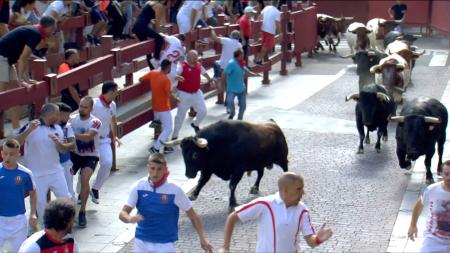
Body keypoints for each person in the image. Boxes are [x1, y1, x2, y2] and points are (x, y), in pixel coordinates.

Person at [119, 153, 213, 253]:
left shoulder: (174, 189)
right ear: (148, 168)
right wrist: (129, 218)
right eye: (152, 168)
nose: (155, 173)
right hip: (141, 242)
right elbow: (123, 213)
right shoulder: (138, 186)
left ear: (165, 169)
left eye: (159, 169)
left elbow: (193, 215)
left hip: (164, 244)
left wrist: (202, 238)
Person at [219, 172, 333, 253]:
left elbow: (311, 242)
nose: (303, 192)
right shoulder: (265, 204)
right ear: (285, 190)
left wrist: (318, 239)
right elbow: (232, 217)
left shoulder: (303, 210)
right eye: (299, 189)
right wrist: (225, 248)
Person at [15, 103, 72, 225]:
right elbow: (16, 142)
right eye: (57, 113)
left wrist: (58, 143)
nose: (59, 116)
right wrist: (29, 130)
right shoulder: (31, 125)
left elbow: (62, 150)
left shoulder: (57, 128)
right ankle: (43, 229)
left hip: (56, 171)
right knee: (40, 204)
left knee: (66, 198)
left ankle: (65, 225)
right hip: (37, 174)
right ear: (51, 114)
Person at [0, 15, 57, 135]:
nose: (53, 32)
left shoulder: (34, 30)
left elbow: (24, 59)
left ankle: (16, 128)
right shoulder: (36, 34)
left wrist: (26, 79)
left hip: (7, 60)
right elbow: (23, 58)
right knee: (2, 94)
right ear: (50, 27)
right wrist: (23, 80)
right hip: (2, 58)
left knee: (14, 92)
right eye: (53, 29)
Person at [69, 96, 102, 228]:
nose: (81, 109)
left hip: (90, 156)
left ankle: (82, 211)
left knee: (85, 179)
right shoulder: (72, 119)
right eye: (80, 106)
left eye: (85, 107)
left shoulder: (95, 122)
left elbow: (89, 136)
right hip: (74, 154)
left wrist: (71, 134)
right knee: (66, 178)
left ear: (91, 109)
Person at [0, 139, 37, 253]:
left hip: (19, 222)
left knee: (20, 251)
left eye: (11, 154)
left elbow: (33, 193)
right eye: (5, 153)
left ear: (19, 155)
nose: (7, 157)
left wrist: (32, 213)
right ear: (1, 153)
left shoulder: (26, 173)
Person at [407, 160, 450, 252]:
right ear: (441, 174)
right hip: (432, 240)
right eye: (446, 174)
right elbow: (419, 205)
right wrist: (413, 225)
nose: (449, 177)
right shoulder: (432, 190)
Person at [172, 50, 214, 139]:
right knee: (180, 116)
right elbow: (174, 74)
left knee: (203, 111)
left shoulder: (198, 64)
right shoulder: (182, 66)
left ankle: (195, 124)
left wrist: (210, 80)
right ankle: (174, 136)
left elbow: (204, 72)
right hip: (184, 94)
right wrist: (177, 77)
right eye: (194, 58)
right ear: (188, 57)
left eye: (196, 57)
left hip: (196, 93)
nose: (196, 59)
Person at [140, 59, 179, 154]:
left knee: (164, 127)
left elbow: (141, 78)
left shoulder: (153, 73)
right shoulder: (166, 80)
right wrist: (177, 99)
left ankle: (166, 147)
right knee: (168, 128)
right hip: (163, 108)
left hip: (155, 107)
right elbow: (169, 95)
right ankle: (156, 148)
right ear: (168, 67)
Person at [91, 81, 121, 204]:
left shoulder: (112, 104)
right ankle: (80, 194)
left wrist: (114, 136)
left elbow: (112, 121)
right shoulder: (93, 103)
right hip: (91, 140)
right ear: (111, 91)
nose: (118, 93)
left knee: (107, 163)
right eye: (116, 91)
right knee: (87, 168)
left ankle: (95, 188)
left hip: (104, 139)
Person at [210, 27, 242, 105]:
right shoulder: (239, 45)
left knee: (216, 63)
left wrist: (212, 30)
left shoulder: (227, 40)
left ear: (231, 36)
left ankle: (217, 77)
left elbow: (214, 38)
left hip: (223, 67)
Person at [224, 49, 259, 120]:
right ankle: (232, 113)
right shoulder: (231, 63)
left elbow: (246, 71)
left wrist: (255, 74)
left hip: (241, 88)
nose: (243, 55)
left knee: (243, 106)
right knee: (230, 101)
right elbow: (225, 73)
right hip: (232, 88)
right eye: (242, 54)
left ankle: (240, 119)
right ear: (239, 55)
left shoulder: (242, 63)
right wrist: (223, 84)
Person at [132, 0, 166, 69]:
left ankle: (152, 68)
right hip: (142, 26)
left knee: (147, 49)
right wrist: (159, 34)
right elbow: (157, 23)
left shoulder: (151, 2)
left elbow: (147, 16)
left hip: (137, 26)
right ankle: (156, 59)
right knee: (160, 39)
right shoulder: (159, 6)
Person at [57, 102, 77, 202]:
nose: (68, 118)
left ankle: (71, 215)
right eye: (66, 115)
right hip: (50, 164)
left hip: (65, 163)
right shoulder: (47, 126)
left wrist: (64, 144)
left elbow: (72, 144)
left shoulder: (67, 126)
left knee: (69, 190)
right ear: (59, 114)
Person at [254, 0, 280, 65]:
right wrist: (279, 33)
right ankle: (257, 60)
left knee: (263, 45)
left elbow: (260, 17)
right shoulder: (277, 12)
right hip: (270, 31)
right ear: (277, 3)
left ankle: (258, 59)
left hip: (263, 29)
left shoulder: (266, 7)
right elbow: (277, 24)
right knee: (266, 47)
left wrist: (258, 25)